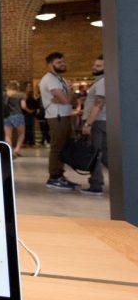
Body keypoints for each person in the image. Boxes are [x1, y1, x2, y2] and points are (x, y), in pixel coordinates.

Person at [39, 52, 78, 191]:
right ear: (50, 65)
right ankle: (54, 177)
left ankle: (60, 175)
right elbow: (67, 100)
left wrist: (68, 94)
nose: (63, 64)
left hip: (64, 115)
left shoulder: (60, 79)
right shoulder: (50, 79)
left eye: (63, 62)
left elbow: (70, 100)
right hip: (57, 117)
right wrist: (69, 94)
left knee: (64, 146)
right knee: (57, 147)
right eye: (59, 63)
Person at [81, 55, 107, 196]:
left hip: (97, 122)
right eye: (94, 65)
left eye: (98, 66)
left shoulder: (102, 82)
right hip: (102, 121)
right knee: (106, 155)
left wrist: (88, 123)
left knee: (94, 154)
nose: (94, 68)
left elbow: (99, 104)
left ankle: (96, 184)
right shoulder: (101, 82)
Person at [3, 81, 26, 157]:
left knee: (8, 136)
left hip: (6, 116)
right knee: (21, 134)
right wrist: (29, 110)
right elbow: (23, 106)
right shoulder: (21, 95)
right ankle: (17, 149)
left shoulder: (4, 94)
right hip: (17, 115)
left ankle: (10, 152)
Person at [23, 82, 39, 146]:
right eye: (28, 86)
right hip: (26, 115)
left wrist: (36, 109)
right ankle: (28, 142)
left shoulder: (31, 95)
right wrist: (29, 110)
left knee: (30, 128)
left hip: (30, 115)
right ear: (25, 88)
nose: (30, 88)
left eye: (30, 86)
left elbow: (35, 104)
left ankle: (30, 142)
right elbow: (23, 106)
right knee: (27, 128)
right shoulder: (24, 95)